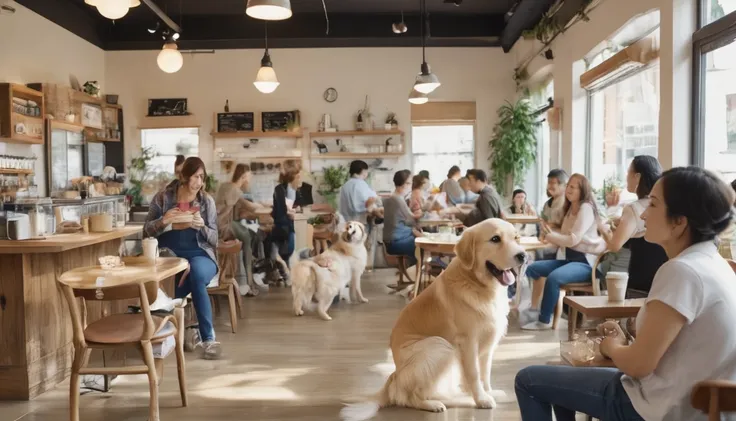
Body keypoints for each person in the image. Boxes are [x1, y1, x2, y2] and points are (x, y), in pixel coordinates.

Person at [515, 166, 736, 421]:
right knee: (559, 383)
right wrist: (627, 340)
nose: (642, 216)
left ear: (679, 222)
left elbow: (638, 366)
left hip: (657, 407)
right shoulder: (716, 264)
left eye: (652, 205)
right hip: (686, 401)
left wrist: (611, 346)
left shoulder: (682, 271)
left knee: (529, 380)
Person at [144, 157, 221, 359]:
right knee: (162, 285)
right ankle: (177, 332)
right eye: (196, 176)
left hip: (201, 255)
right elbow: (146, 232)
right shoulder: (163, 198)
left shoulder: (206, 201)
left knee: (194, 273)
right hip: (170, 257)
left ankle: (208, 339)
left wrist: (202, 226)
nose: (199, 182)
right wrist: (164, 220)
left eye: (202, 177)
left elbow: (215, 239)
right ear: (184, 176)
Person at [520, 173, 605, 331]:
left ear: (583, 190)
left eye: (573, 187)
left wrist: (551, 236)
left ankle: (544, 320)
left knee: (554, 278)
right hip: (569, 260)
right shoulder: (570, 208)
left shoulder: (586, 208)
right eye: (568, 186)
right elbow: (564, 237)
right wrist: (549, 238)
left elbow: (573, 239)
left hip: (586, 263)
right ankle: (532, 309)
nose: (569, 189)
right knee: (531, 268)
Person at [597, 156, 668, 296]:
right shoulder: (663, 204)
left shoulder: (633, 208)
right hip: (660, 274)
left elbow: (614, 245)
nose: (626, 177)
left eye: (628, 172)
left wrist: (602, 229)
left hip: (637, 275)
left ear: (637, 176)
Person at [215, 163, 266, 296]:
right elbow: (251, 207)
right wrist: (263, 205)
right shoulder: (234, 189)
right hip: (224, 227)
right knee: (248, 237)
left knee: (250, 233)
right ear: (243, 176)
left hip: (216, 226)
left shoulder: (225, 186)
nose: (249, 180)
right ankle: (249, 282)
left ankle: (248, 277)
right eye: (248, 176)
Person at [270, 166, 303, 283]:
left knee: (289, 251)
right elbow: (281, 209)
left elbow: (298, 206)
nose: (300, 179)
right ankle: (283, 271)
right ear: (291, 178)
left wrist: (295, 210)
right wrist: (291, 212)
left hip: (290, 225)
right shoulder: (279, 189)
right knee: (285, 251)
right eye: (298, 177)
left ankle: (284, 273)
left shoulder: (297, 191)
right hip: (281, 225)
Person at [383, 170, 422, 267]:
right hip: (395, 242)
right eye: (410, 183)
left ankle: (414, 273)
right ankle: (416, 274)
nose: (411, 185)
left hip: (393, 240)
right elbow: (411, 220)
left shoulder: (395, 197)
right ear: (405, 184)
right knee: (422, 245)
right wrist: (423, 211)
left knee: (420, 238)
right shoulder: (397, 199)